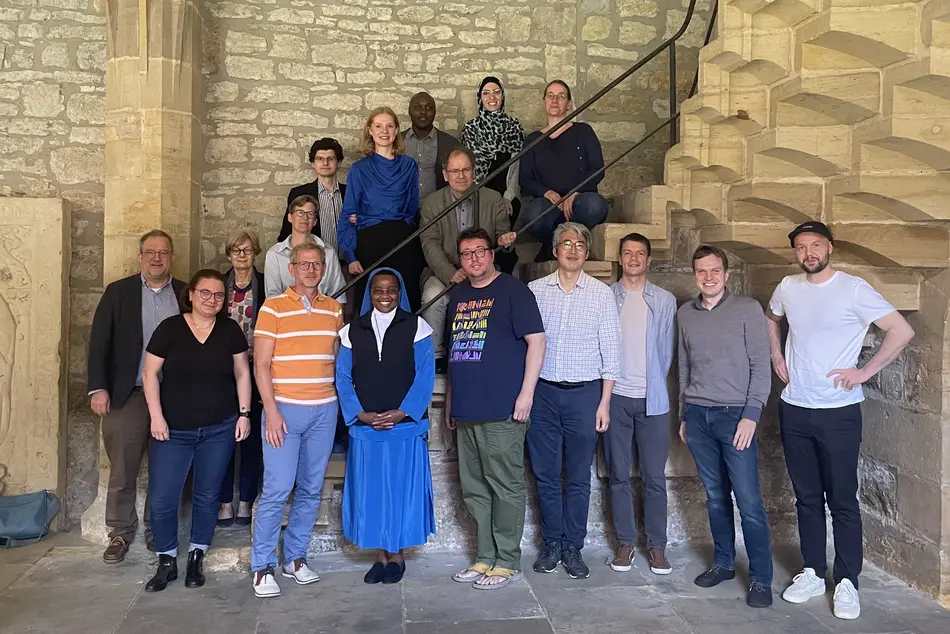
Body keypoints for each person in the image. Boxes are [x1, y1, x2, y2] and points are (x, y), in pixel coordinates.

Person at [769, 222, 915, 620]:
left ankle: (848, 580)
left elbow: (901, 330)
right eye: (801, 247)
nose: (809, 252)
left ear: (829, 248)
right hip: (795, 406)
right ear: (796, 253)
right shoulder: (787, 287)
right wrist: (776, 355)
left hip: (838, 411)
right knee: (807, 498)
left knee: (843, 500)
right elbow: (773, 318)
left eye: (816, 245)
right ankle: (813, 572)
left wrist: (865, 373)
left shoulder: (853, 289)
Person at [444, 228, 545, 589]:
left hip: (504, 408)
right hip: (467, 409)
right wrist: (452, 401)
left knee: (506, 486)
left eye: (479, 252)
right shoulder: (458, 296)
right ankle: (485, 556)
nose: (473, 259)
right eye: (466, 253)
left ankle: (507, 561)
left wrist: (526, 394)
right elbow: (457, 351)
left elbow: (537, 342)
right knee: (474, 489)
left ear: (491, 254)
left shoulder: (514, 291)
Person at [141, 269, 252, 592]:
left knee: (207, 496)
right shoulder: (170, 329)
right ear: (190, 294)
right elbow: (150, 374)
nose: (212, 300)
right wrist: (156, 417)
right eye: (205, 293)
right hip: (173, 430)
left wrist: (243, 415)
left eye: (218, 295)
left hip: (219, 428)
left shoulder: (229, 330)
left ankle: (196, 556)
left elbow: (242, 373)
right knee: (163, 498)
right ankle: (166, 560)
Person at [677, 245, 773, 609]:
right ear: (695, 274)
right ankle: (723, 563)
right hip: (699, 416)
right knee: (715, 496)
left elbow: (760, 367)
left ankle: (761, 578)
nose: (709, 277)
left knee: (748, 501)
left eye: (715, 270)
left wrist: (751, 415)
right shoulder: (686, 313)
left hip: (736, 416)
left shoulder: (748, 310)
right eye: (702, 271)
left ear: (727, 274)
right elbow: (684, 367)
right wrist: (683, 415)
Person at [526, 222, 620, 579]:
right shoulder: (535, 291)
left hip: (585, 394)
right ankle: (551, 543)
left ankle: (573, 547)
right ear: (554, 250)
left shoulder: (600, 294)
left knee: (579, 476)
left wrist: (604, 402)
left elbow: (611, 350)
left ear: (586, 251)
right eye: (565, 243)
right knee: (547, 475)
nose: (572, 249)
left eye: (580, 244)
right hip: (544, 394)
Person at [87, 229, 186, 563]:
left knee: (166, 468)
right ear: (140, 256)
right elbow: (100, 342)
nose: (157, 258)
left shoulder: (185, 293)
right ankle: (119, 532)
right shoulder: (119, 292)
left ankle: (159, 530)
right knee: (123, 469)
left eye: (163, 252)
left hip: (173, 396)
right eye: (150, 252)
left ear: (171, 256)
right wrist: (98, 387)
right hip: (127, 394)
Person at [251, 242, 343, 598]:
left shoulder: (333, 309)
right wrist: (270, 411)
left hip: (323, 408)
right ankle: (262, 566)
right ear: (291, 269)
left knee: (310, 487)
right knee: (276, 489)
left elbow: (334, 359)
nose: (310, 269)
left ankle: (295, 558)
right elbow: (260, 364)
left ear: (323, 269)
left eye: (316, 264)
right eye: (304, 264)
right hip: (284, 410)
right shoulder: (272, 308)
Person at [336, 268, 436, 585]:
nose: (384, 295)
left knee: (401, 492)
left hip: (404, 428)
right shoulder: (352, 330)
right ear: (370, 293)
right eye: (378, 290)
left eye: (391, 289)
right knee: (373, 494)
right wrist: (361, 414)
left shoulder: (417, 327)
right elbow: (342, 377)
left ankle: (398, 555)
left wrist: (401, 412)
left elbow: (424, 376)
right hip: (366, 430)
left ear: (400, 292)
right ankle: (380, 555)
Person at [604, 233, 677, 575]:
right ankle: (625, 543)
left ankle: (657, 547)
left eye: (640, 254)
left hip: (653, 401)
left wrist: (652, 386)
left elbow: (666, 352)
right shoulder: (606, 297)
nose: (633, 259)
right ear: (620, 259)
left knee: (654, 477)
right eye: (627, 253)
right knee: (618, 475)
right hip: (615, 399)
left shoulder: (664, 300)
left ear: (649, 260)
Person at [419, 148, 517, 366]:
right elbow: (430, 244)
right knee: (432, 296)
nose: (461, 176)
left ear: (474, 172)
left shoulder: (493, 199)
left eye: (466, 170)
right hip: (445, 270)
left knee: (502, 295)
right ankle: (436, 358)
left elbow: (502, 237)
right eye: (455, 171)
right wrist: (451, 273)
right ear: (445, 174)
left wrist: (504, 242)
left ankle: (491, 354)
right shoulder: (431, 203)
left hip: (483, 269)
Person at [339, 107, 425, 312]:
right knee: (369, 300)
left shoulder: (409, 166)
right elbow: (348, 212)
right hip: (369, 243)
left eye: (389, 126)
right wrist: (351, 256)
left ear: (396, 131)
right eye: (378, 126)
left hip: (403, 241)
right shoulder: (359, 169)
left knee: (406, 298)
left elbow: (413, 208)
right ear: (370, 130)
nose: (384, 131)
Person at [519, 80, 609, 262]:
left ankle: (558, 243)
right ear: (544, 101)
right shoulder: (533, 140)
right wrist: (546, 192)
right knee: (532, 216)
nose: (555, 100)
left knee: (595, 206)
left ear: (569, 103)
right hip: (548, 205)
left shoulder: (583, 132)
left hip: (579, 202)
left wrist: (576, 192)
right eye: (550, 96)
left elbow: (597, 168)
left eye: (561, 96)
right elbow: (525, 179)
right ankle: (556, 243)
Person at [217, 229, 266, 528]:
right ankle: (224, 502)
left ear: (256, 252)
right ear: (228, 254)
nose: (242, 255)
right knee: (223, 437)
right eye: (236, 250)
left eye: (247, 250)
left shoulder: (264, 285)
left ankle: (246, 500)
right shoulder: (218, 286)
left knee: (252, 441)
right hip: (222, 371)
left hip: (255, 368)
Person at [460, 76, 525, 219]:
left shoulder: (514, 127)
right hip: (478, 193)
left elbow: (516, 168)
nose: (492, 97)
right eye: (486, 93)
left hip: (506, 194)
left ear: (502, 95)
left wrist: (508, 196)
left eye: (496, 92)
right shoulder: (471, 129)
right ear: (479, 98)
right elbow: (466, 170)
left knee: (509, 212)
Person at [265, 194, 346, 303]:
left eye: (310, 214)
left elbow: (339, 295)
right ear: (289, 218)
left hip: (322, 315)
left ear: (315, 221)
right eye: (300, 213)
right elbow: (272, 297)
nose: (305, 217)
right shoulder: (274, 254)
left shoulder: (328, 252)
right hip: (287, 316)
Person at [280, 137, 348, 246]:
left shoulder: (350, 193)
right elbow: (286, 234)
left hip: (350, 262)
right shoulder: (299, 193)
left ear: (339, 162)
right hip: (313, 261)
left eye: (330, 158)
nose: (325, 163)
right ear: (313, 163)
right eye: (320, 158)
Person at [402, 92, 459, 202]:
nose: (423, 112)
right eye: (417, 107)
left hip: (440, 212)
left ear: (435, 112)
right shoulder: (397, 141)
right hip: (403, 212)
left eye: (429, 108)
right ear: (409, 111)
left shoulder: (450, 143)